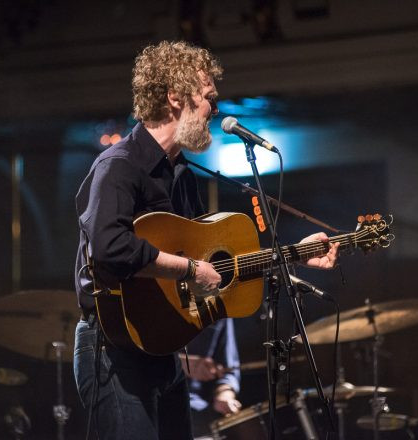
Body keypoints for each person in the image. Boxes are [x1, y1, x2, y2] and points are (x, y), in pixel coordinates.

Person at [73, 40, 340, 440]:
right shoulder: (120, 165)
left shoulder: (182, 175)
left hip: (164, 348)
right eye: (209, 98)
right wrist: (189, 268)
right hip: (114, 350)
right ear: (174, 96)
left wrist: (294, 257)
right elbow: (111, 248)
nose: (216, 109)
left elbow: (213, 267)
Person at [181, 318, 242, 438]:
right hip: (149, 404)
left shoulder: (222, 307)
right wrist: (179, 363)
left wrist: (224, 393)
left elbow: (228, 369)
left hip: (197, 408)